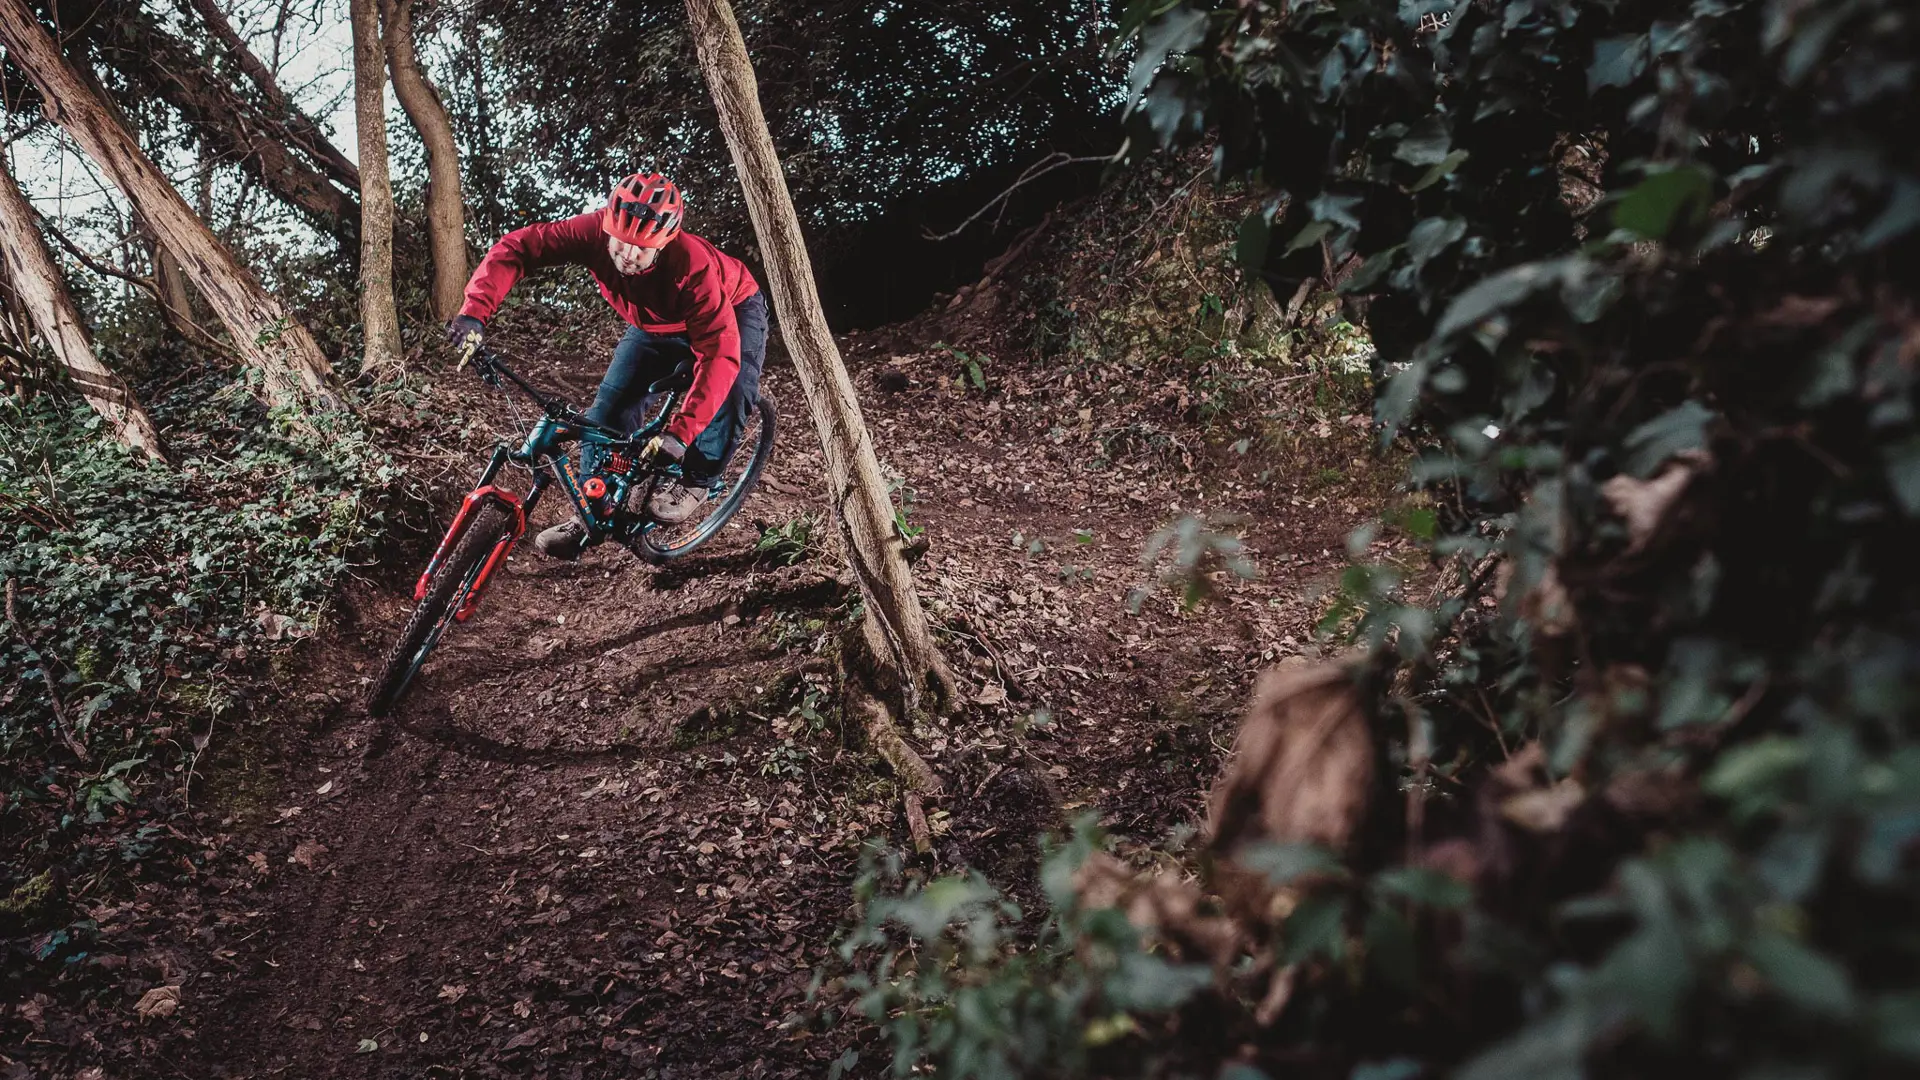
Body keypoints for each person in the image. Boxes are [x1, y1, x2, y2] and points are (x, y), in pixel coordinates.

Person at [446, 171, 767, 559]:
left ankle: (698, 478)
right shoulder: (591, 232)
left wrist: (680, 435)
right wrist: (474, 314)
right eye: (621, 243)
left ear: (664, 243)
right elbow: (519, 247)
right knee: (606, 415)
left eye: (641, 249)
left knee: (732, 391)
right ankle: (590, 512)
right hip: (652, 324)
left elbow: (719, 354)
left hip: (732, 308)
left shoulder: (692, 266)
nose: (628, 256)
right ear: (608, 226)